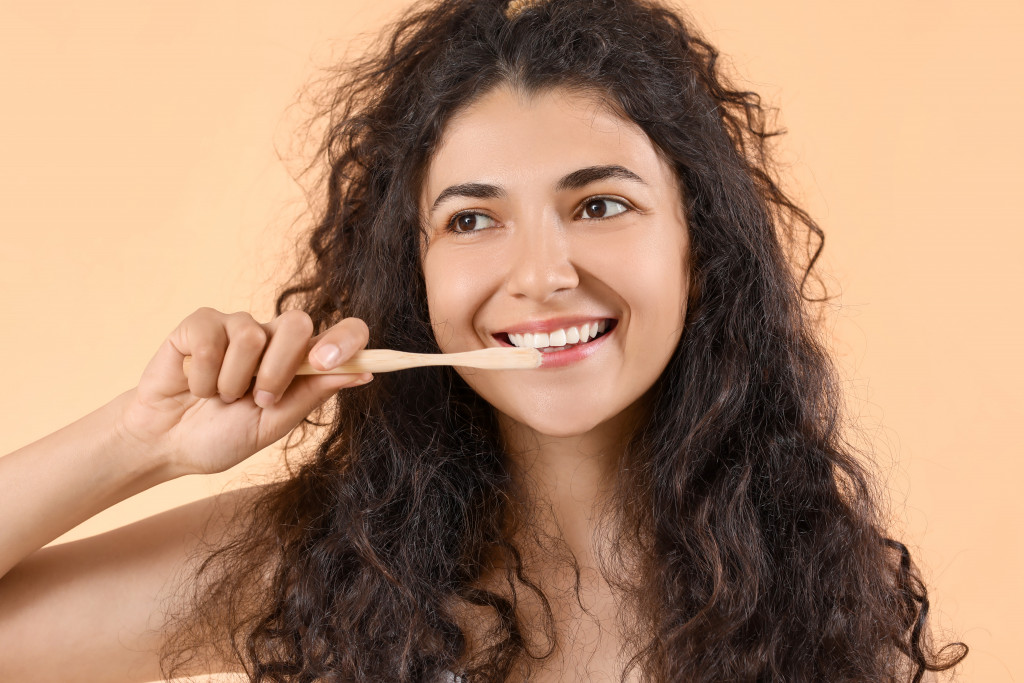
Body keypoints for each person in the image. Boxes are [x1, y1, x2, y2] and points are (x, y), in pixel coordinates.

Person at [0, 0, 968, 680]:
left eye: (599, 203)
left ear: (698, 251)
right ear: (416, 276)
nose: (542, 272)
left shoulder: (813, 596)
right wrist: (140, 439)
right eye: (471, 220)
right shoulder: (323, 567)